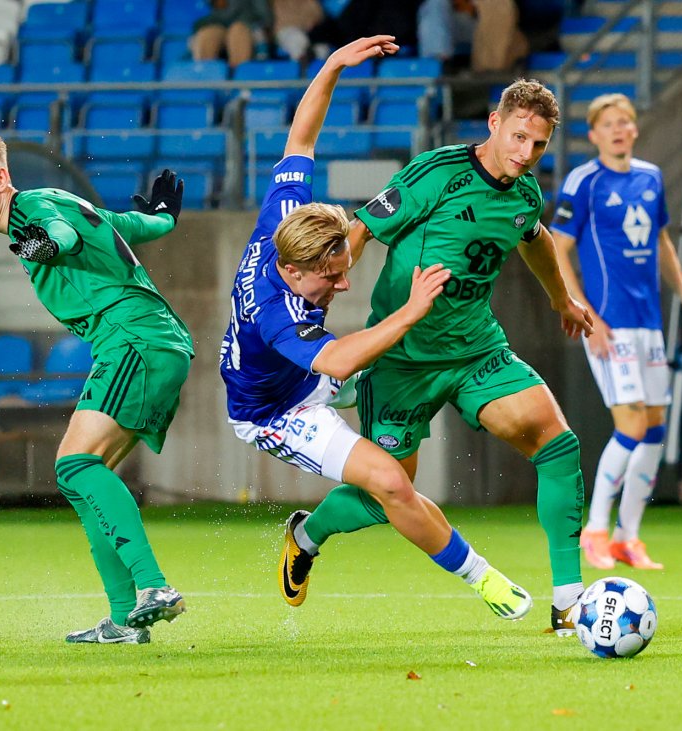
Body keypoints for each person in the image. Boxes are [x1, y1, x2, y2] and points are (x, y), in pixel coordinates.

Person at [220, 36, 532, 620]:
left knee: (391, 480)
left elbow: (301, 138)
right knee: (391, 481)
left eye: (343, 271)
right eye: (329, 280)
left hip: (312, 370)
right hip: (277, 410)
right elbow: (338, 362)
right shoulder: (276, 314)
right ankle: (483, 579)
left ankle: (306, 536)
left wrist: (334, 64)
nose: (341, 287)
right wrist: (411, 311)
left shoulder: (288, 218)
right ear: (290, 271)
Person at [299, 78, 594, 635]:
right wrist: (324, 287)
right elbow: (361, 230)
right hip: (401, 360)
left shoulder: (526, 192)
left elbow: (535, 238)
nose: (525, 153)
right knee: (389, 494)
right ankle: (307, 535)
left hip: (476, 349)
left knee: (558, 446)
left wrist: (562, 297)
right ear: (493, 122)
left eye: (538, 145)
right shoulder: (436, 173)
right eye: (518, 137)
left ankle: (569, 602)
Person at [0, 134, 191, 645]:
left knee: (75, 465)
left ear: (2, 180)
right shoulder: (58, 201)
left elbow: (60, 237)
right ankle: (123, 620)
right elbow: (126, 224)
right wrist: (164, 218)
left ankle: (153, 587)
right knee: (80, 477)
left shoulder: (33, 210)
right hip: (152, 342)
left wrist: (47, 244)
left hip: (133, 340)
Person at [550, 93, 682, 572]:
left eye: (625, 122)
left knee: (655, 429)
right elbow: (558, 251)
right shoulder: (584, 181)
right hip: (610, 325)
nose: (619, 130)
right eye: (608, 124)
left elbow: (662, 244)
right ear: (594, 134)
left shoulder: (651, 177)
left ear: (635, 130)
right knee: (632, 425)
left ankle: (627, 537)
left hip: (649, 325)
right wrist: (587, 316)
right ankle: (594, 531)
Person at [192, 0, 272, 68]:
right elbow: (216, 16)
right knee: (208, 34)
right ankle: (206, 77)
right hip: (221, 25)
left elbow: (264, 17)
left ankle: (239, 76)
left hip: (247, 26)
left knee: (237, 31)